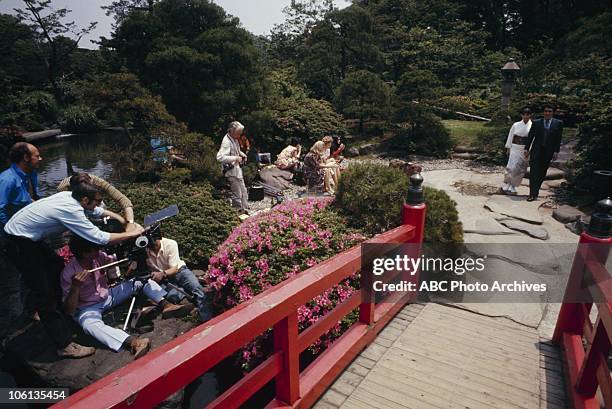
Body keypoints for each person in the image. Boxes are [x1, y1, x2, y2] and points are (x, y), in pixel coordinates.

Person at [3, 182, 146, 358]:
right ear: (85, 199)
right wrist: (131, 234)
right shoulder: (71, 210)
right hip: (19, 242)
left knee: (55, 267)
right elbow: (99, 237)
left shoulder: (71, 197)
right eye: (97, 201)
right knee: (44, 291)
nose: (98, 205)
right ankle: (63, 344)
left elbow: (96, 211)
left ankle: (53, 313)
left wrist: (124, 220)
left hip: (27, 237)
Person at [61, 236, 191, 359]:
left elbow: (116, 260)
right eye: (95, 248)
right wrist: (75, 287)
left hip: (107, 295)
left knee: (140, 280)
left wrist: (128, 255)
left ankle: (167, 305)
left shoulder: (98, 257)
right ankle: (133, 342)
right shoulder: (68, 273)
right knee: (89, 325)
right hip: (88, 307)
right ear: (85, 253)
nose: (99, 249)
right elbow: (69, 310)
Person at [145, 228, 211, 322]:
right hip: (164, 278)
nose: (152, 248)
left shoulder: (170, 244)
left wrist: (162, 273)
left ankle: (207, 319)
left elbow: (174, 268)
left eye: (154, 244)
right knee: (171, 296)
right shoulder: (146, 250)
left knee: (197, 289)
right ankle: (189, 305)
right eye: (150, 246)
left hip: (179, 271)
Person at [58, 172, 135, 224]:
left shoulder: (97, 181)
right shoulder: (63, 191)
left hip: (90, 200)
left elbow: (122, 199)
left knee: (101, 208)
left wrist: (130, 223)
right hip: (74, 202)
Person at [0, 142, 42, 233]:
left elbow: (34, 198)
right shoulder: (7, 180)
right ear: (26, 158)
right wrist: (11, 233)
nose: (40, 159)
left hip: (31, 227)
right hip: (13, 234)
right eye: (37, 156)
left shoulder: (31, 174)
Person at [525, 104, 563, 201]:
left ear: (553, 113)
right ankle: (532, 194)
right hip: (536, 151)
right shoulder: (537, 122)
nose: (547, 113)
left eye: (549, 111)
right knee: (534, 172)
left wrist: (556, 151)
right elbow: (530, 136)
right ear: (543, 112)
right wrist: (526, 148)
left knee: (542, 173)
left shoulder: (558, 123)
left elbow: (558, 139)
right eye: (546, 111)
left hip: (548, 152)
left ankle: (536, 191)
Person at [216, 121, 249, 212]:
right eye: (238, 133)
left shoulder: (234, 138)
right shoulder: (226, 141)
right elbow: (220, 157)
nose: (239, 135)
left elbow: (237, 150)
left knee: (243, 190)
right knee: (237, 193)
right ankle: (238, 212)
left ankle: (245, 209)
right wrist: (235, 158)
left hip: (237, 169)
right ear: (232, 131)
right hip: (231, 171)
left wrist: (242, 155)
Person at [501, 108, 532, 195]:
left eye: (527, 114)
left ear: (530, 115)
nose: (525, 116)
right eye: (524, 114)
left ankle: (514, 185)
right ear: (521, 115)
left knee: (519, 168)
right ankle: (507, 183)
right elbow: (511, 136)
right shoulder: (516, 125)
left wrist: (529, 150)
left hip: (524, 149)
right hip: (514, 147)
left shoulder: (532, 126)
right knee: (511, 166)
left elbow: (532, 139)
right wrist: (508, 147)